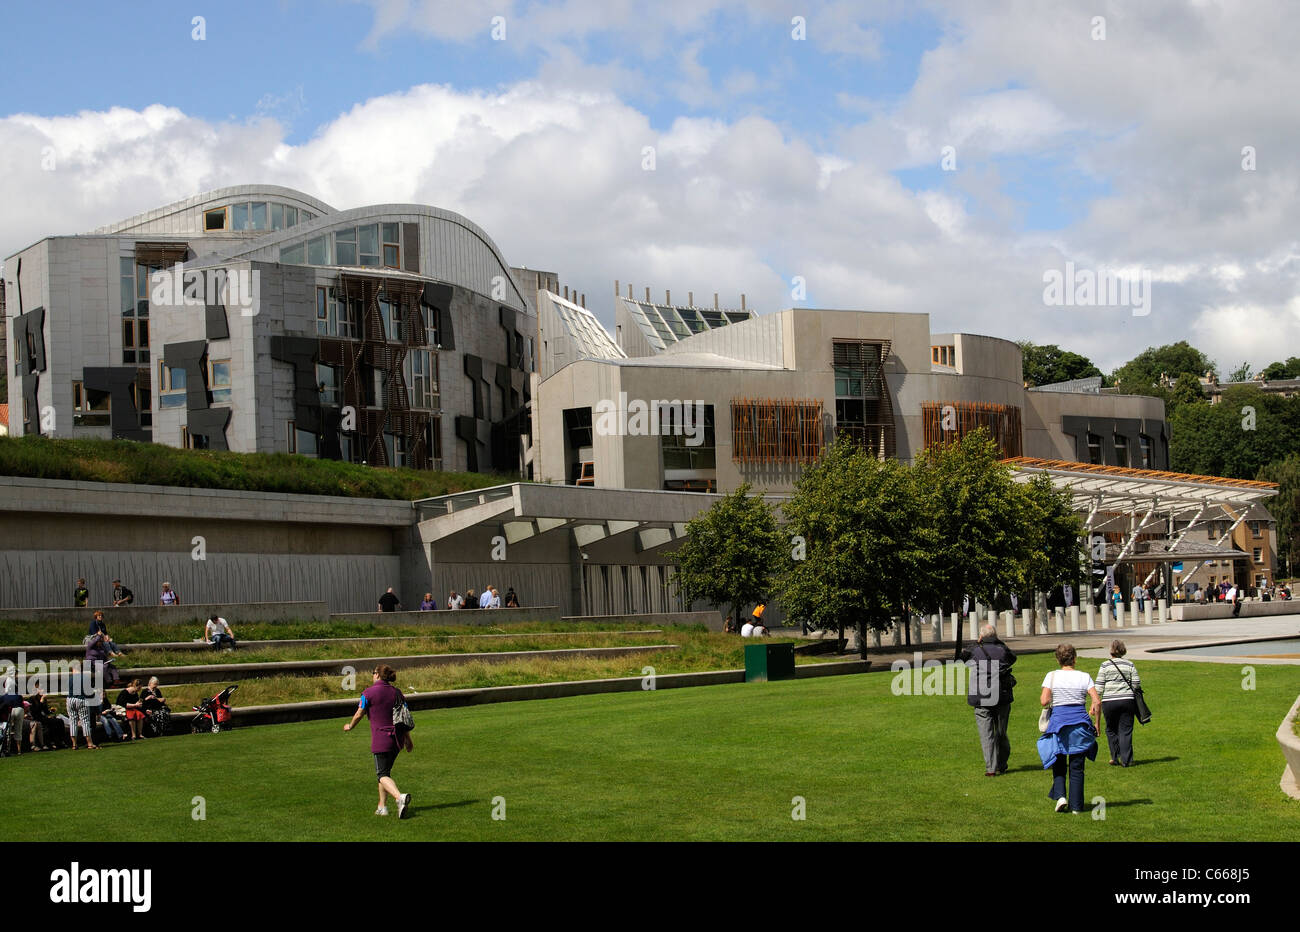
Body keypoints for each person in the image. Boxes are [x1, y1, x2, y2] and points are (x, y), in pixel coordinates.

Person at [344, 665, 413, 819]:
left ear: (377, 675)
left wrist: (350, 726)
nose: (372, 675)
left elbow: (359, 713)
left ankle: (399, 798)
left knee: (381, 774)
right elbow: (404, 717)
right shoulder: (397, 693)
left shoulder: (368, 693)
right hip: (397, 740)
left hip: (381, 739)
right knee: (385, 773)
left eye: (373, 672)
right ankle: (382, 807)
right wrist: (408, 740)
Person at [1038, 644, 1100, 813]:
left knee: (1058, 762)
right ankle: (1077, 806)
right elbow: (1097, 701)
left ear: (1058, 659)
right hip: (1080, 723)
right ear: (1074, 659)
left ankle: (1060, 796)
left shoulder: (1051, 676)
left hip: (1058, 724)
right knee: (1077, 765)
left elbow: (1044, 701)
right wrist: (1097, 724)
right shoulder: (1084, 677)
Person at [960, 623, 1017, 777]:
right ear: (996, 636)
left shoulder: (974, 651)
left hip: (980, 696)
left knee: (986, 734)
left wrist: (978, 642)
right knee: (1001, 732)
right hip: (1001, 695)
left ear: (981, 636)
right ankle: (1001, 764)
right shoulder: (1002, 649)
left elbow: (962, 658)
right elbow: (1012, 658)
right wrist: (998, 642)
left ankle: (990, 768)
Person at [1095, 639, 1142, 767]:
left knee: (1111, 729)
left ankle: (1114, 757)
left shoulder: (1105, 665)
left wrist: (1094, 704)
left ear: (1111, 651)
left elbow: (1098, 687)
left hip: (1109, 701)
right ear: (1123, 650)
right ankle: (1126, 760)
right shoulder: (1130, 665)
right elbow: (1136, 684)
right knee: (1125, 730)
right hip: (1127, 700)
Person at [62, 662, 97, 751]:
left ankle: (74, 744)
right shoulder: (84, 677)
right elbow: (89, 691)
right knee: (85, 721)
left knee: (72, 721)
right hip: (81, 699)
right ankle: (89, 743)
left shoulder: (69, 678)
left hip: (70, 699)